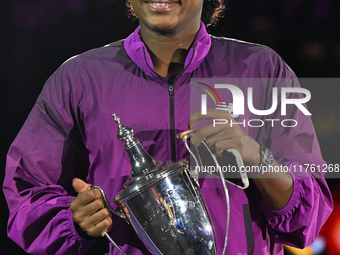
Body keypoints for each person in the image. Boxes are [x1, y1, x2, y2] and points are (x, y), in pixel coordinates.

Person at [3, 0, 333, 254]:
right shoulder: (79, 78)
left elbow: (311, 211)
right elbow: (26, 191)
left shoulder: (262, 68)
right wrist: (76, 222)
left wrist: (255, 157)